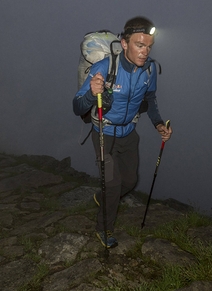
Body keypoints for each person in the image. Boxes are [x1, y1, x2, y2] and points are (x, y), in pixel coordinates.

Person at [73, 16, 172, 248]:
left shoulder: (149, 70)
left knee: (130, 180)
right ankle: (103, 229)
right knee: (113, 183)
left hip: (129, 135)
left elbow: (150, 98)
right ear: (124, 43)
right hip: (104, 136)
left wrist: (158, 124)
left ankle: (104, 197)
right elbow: (77, 106)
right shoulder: (103, 68)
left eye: (149, 46)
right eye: (139, 45)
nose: (145, 51)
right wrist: (90, 92)